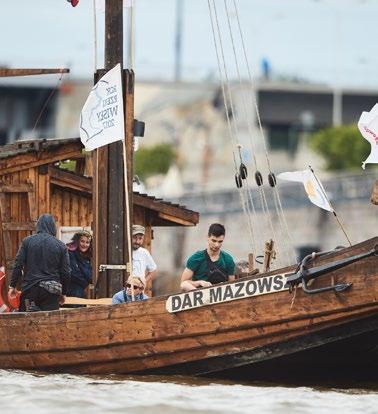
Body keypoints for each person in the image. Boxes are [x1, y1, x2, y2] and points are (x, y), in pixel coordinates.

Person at [8, 214, 70, 312]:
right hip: (51, 293)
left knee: (27, 323)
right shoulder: (61, 246)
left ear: (38, 226)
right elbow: (66, 272)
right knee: (50, 324)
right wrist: (63, 293)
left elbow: (18, 265)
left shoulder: (27, 242)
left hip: (30, 290)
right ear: (53, 227)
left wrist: (12, 285)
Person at [180, 223, 235, 292]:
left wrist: (224, 286)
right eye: (214, 240)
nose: (217, 245)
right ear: (208, 238)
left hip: (221, 296)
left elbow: (232, 285)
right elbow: (183, 283)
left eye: (220, 241)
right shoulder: (196, 258)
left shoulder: (228, 259)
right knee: (185, 284)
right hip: (199, 295)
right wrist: (199, 282)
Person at [66, 230, 92, 298]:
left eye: (87, 242)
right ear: (77, 241)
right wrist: (86, 284)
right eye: (82, 241)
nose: (85, 245)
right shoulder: (70, 253)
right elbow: (73, 272)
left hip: (81, 290)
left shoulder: (89, 256)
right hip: (71, 289)